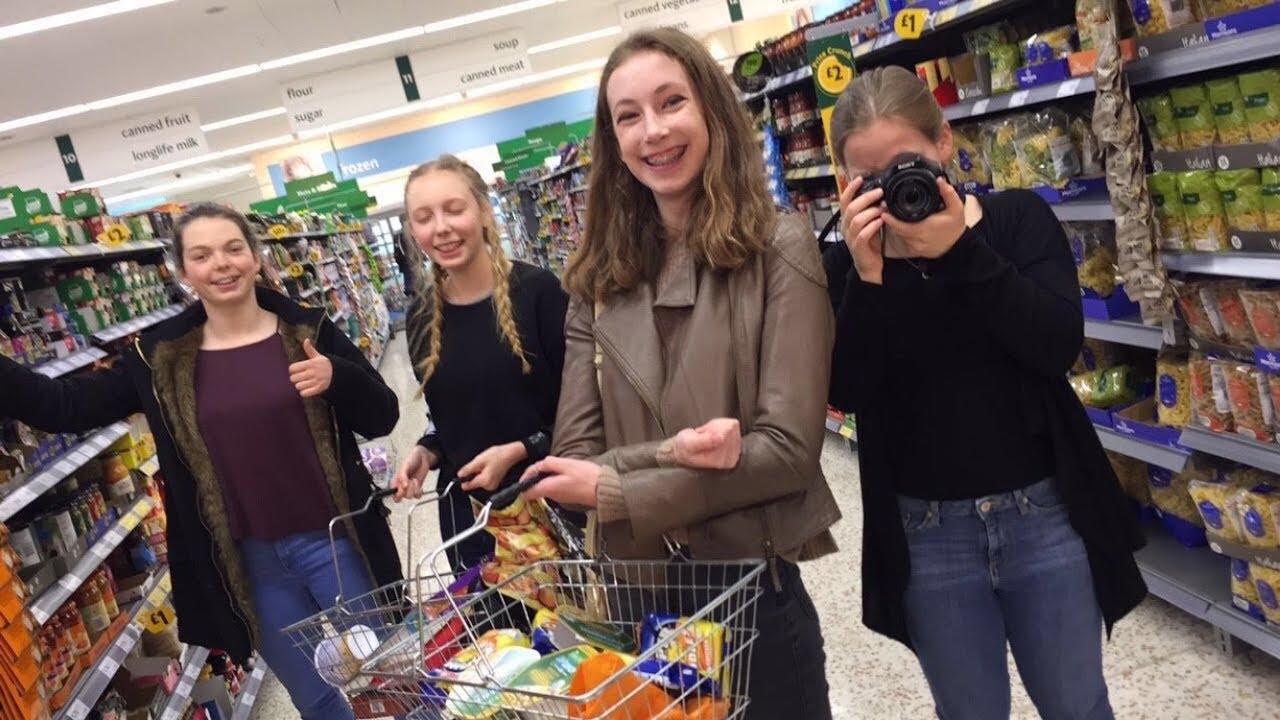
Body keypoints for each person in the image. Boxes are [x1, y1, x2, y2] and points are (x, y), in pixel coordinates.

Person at [515, 27, 840, 719]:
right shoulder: (596, 279)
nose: (652, 132)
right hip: (639, 607)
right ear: (612, 141)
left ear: (712, 111)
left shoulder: (778, 248)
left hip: (751, 593)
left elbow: (785, 453)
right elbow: (574, 464)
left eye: (671, 103)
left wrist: (620, 489)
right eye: (628, 116)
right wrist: (662, 458)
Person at [824, 66, 1146, 719]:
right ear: (844, 183)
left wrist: (963, 252)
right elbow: (848, 390)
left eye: (907, 165)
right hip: (927, 532)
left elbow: (1056, 345)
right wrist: (868, 279)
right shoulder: (845, 266)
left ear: (945, 143)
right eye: (869, 179)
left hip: (1045, 517)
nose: (894, 191)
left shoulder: (1016, 220)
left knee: (1077, 706)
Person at [0, 204, 402, 720]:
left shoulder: (309, 331)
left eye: (234, 248)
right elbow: (67, 407)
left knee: (395, 679)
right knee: (316, 699)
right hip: (250, 565)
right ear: (183, 272)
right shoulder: (159, 358)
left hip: (336, 544)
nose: (222, 264)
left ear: (255, 257)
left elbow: (386, 415)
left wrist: (338, 377)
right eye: (202, 255)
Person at [391, 155, 570, 572]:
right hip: (469, 518)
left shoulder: (539, 294)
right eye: (424, 217)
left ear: (485, 211)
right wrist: (427, 450)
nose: (441, 227)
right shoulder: (421, 318)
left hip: (550, 503)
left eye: (454, 209)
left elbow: (586, 409)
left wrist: (521, 450)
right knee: (493, 637)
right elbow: (453, 415)